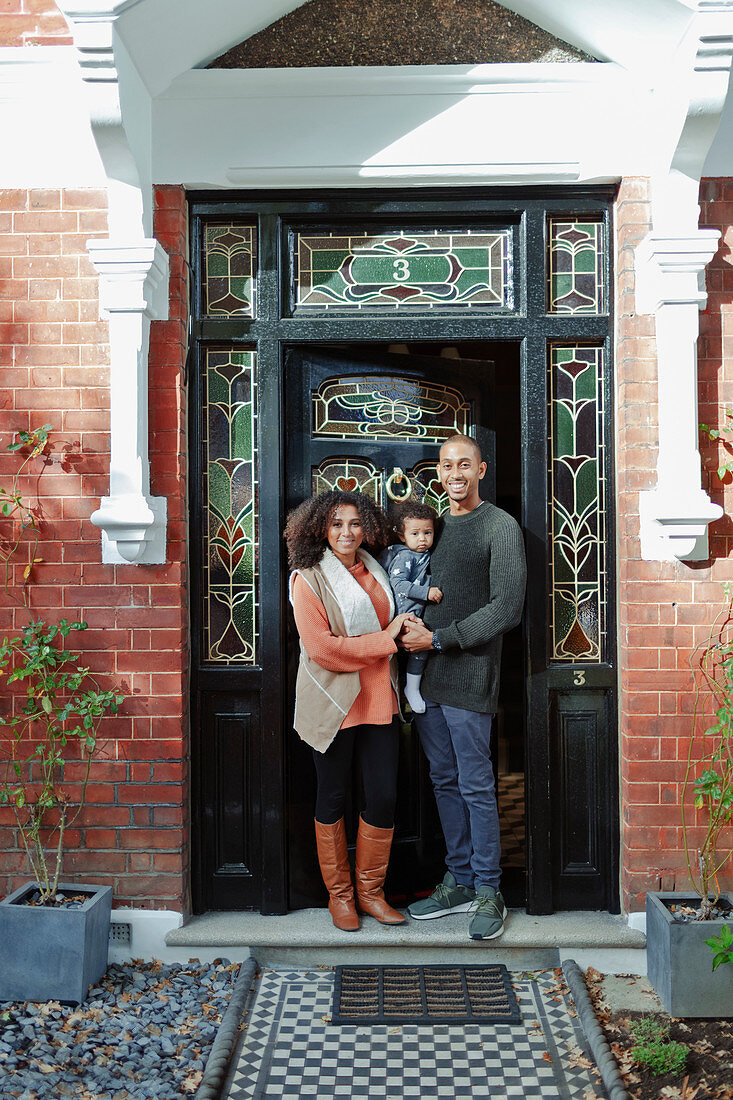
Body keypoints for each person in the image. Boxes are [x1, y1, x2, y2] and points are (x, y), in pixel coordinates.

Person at [400, 434, 526, 941]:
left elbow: (507, 608)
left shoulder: (500, 526)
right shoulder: (430, 528)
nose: (455, 472)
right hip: (425, 681)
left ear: (481, 470)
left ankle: (490, 891)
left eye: (464, 464)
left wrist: (441, 638)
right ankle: (460, 880)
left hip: (470, 677)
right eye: (446, 464)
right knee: (444, 782)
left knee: (476, 787)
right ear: (438, 471)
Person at [285, 490, 412, 932]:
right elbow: (322, 650)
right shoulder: (308, 578)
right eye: (337, 524)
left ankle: (372, 895)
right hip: (334, 702)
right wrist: (386, 640)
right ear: (320, 527)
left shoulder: (377, 569)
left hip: (379, 698)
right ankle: (340, 898)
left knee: (383, 797)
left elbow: (399, 620)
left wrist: (398, 634)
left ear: (367, 528)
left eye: (355, 523)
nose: (346, 532)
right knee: (332, 797)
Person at [380, 501, 442, 715]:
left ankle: (410, 688)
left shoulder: (423, 554)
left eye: (428, 532)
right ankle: (409, 689)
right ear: (402, 536)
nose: (423, 539)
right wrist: (427, 592)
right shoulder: (406, 556)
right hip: (404, 614)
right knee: (416, 652)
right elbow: (399, 584)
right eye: (415, 534)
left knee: (417, 651)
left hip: (415, 613)